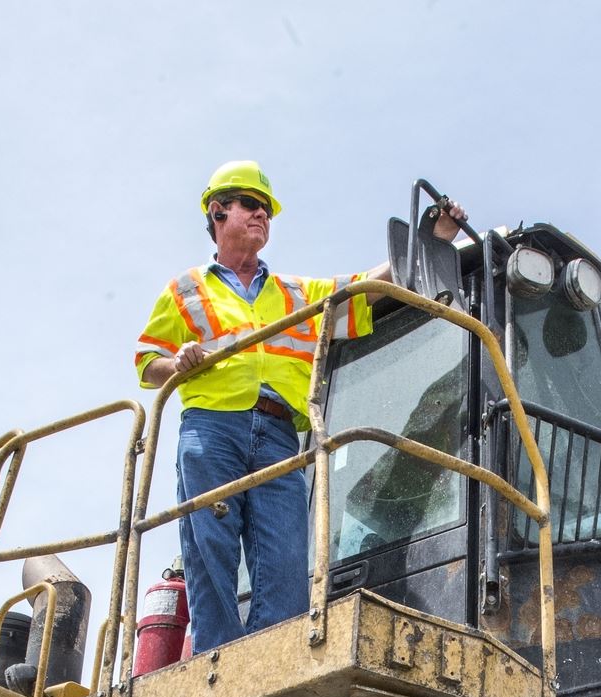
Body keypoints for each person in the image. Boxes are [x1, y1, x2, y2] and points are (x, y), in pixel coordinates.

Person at [137, 161, 465, 649]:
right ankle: (216, 662)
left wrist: (429, 239)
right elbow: (147, 363)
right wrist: (178, 362)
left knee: (287, 559)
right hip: (212, 426)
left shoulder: (293, 294)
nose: (261, 216)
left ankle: (268, 655)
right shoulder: (186, 290)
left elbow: (365, 287)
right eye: (250, 205)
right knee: (211, 548)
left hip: (278, 433)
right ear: (218, 211)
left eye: (267, 210)